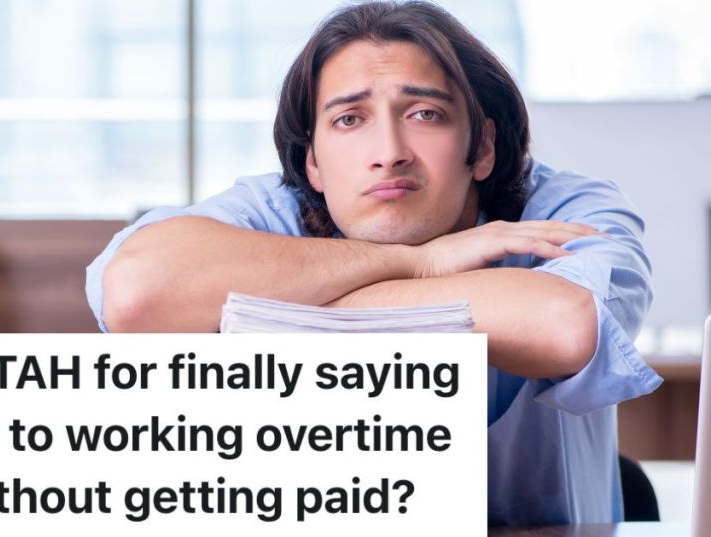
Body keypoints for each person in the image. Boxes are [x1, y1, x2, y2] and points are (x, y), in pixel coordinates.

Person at [85, 0, 662, 526]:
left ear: (482, 146)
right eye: (349, 119)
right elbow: (138, 290)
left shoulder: (561, 207)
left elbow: (569, 326)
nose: (388, 153)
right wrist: (417, 263)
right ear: (312, 163)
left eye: (425, 114)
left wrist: (290, 305)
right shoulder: (271, 212)